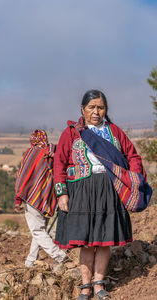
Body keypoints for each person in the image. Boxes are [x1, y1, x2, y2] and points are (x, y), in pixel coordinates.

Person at [53, 90, 152, 300]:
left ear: (105, 110)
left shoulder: (114, 131)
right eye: (91, 107)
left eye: (100, 107)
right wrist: (62, 193)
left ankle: (99, 285)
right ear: (82, 109)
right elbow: (59, 163)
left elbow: (132, 155)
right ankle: (85, 287)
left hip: (109, 190)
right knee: (87, 241)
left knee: (104, 240)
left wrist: (133, 178)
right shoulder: (71, 133)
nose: (96, 112)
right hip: (81, 191)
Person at [14, 129, 66, 267]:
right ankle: (30, 262)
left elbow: (22, 176)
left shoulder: (31, 153)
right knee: (40, 229)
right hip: (48, 198)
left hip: (33, 198)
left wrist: (18, 199)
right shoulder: (53, 151)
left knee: (37, 231)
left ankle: (60, 256)